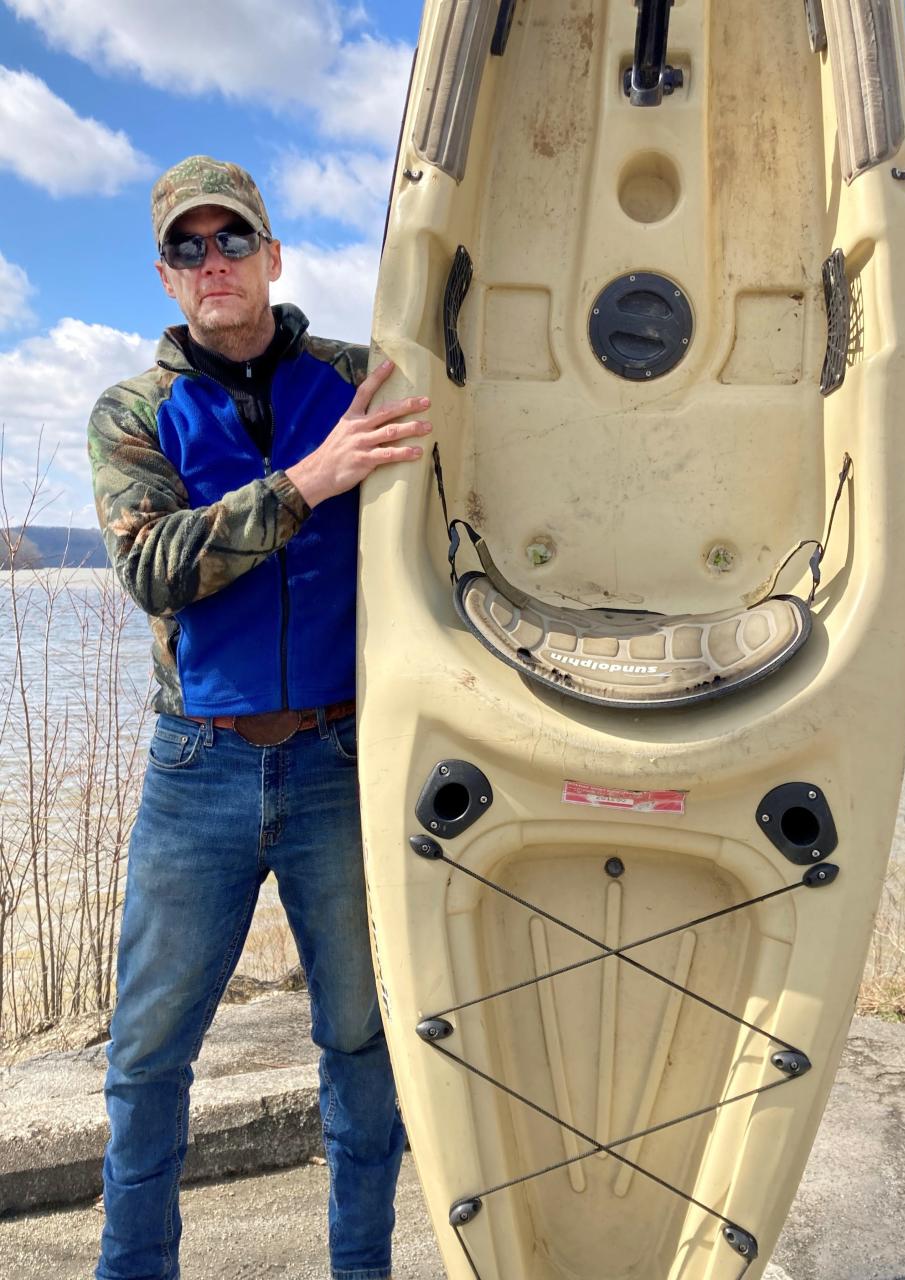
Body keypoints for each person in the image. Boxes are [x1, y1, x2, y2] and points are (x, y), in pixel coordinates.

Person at [87, 155, 431, 1280]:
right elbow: (155, 568)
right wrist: (310, 482)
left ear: (272, 256)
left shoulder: (357, 378)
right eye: (187, 248)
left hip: (342, 756)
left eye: (231, 238)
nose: (213, 262)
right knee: (146, 1053)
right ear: (166, 276)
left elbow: (460, 480)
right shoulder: (133, 410)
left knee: (359, 1041)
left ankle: (361, 1264)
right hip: (198, 769)